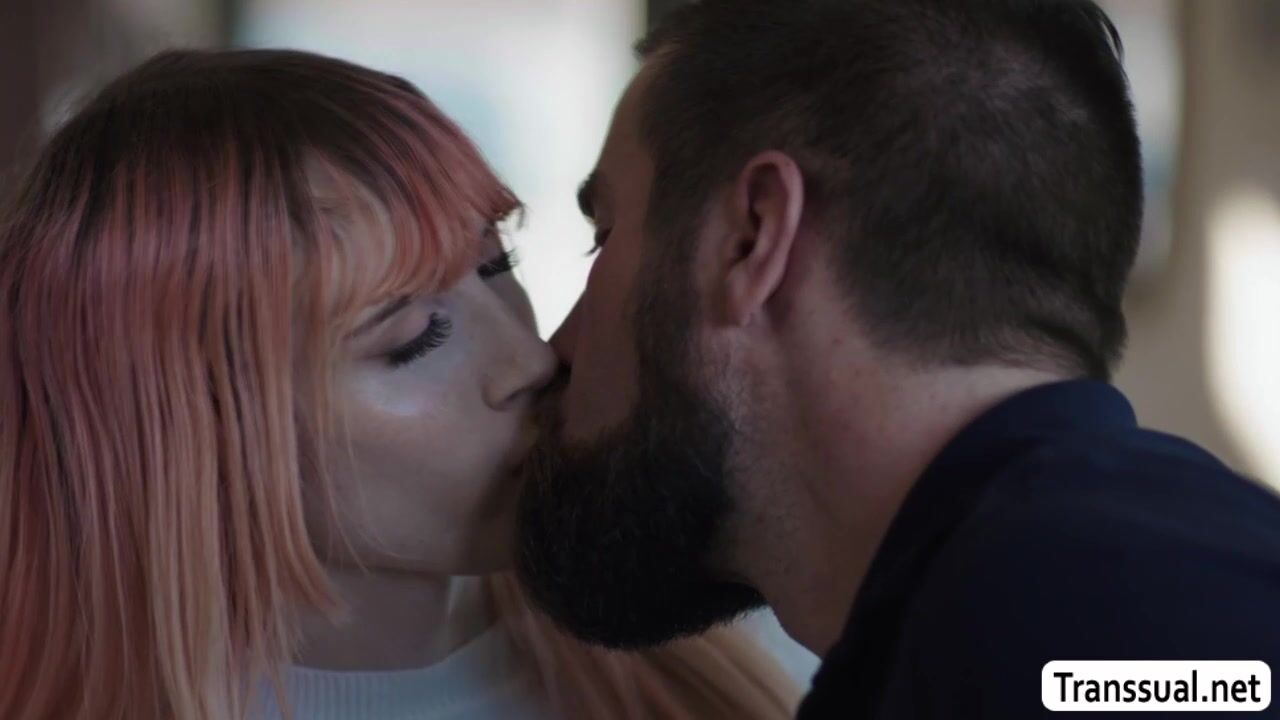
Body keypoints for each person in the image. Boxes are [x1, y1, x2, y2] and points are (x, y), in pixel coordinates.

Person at [515, 0, 1280, 717]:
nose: (553, 350)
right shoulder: (1093, 590)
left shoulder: (1077, 624)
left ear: (751, 237)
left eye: (605, 237)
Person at [0, 49, 801, 720]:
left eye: (498, 267)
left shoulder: (705, 661)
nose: (533, 359)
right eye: (415, 337)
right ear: (190, 425)